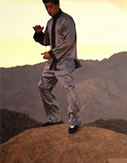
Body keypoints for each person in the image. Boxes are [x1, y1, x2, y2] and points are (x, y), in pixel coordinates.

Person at [33, 0, 82, 134]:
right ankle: (54, 118)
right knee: (42, 86)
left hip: (65, 61)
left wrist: (51, 53)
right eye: (46, 7)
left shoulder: (68, 21)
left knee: (69, 89)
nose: (49, 10)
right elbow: (47, 41)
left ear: (58, 5)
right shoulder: (49, 23)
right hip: (52, 61)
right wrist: (39, 34)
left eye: (51, 7)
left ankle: (75, 122)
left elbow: (69, 42)